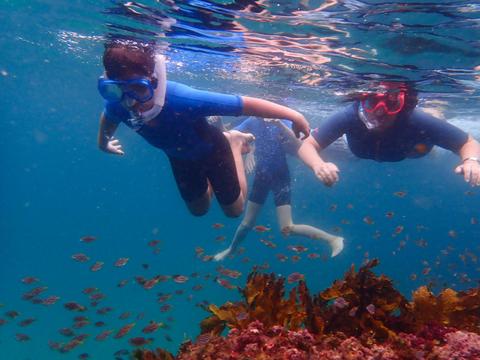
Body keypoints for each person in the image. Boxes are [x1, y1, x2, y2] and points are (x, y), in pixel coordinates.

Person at [96, 39, 310, 217]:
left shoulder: (182, 99)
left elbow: (246, 104)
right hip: (179, 157)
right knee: (199, 210)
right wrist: (103, 143)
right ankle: (209, 175)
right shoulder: (117, 103)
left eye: (138, 90)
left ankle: (234, 142)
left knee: (234, 211)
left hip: (213, 150)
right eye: (117, 90)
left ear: (153, 81)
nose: (130, 101)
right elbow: (109, 117)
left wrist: (293, 115)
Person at [298, 82, 480, 187]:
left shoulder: (415, 119)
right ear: (362, 100)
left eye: (391, 104)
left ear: (402, 106)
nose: (379, 113)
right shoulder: (349, 116)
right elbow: (308, 145)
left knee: (431, 130)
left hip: (415, 150)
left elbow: (468, 142)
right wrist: (318, 165)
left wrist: (471, 160)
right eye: (372, 103)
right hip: (361, 151)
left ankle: (437, 113)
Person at [214, 117, 344, 261]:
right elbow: (232, 136)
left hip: (280, 176)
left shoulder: (281, 120)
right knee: (247, 223)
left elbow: (297, 142)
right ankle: (231, 249)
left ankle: (332, 239)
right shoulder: (252, 120)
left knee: (287, 227)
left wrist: (279, 124)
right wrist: (219, 123)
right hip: (261, 176)